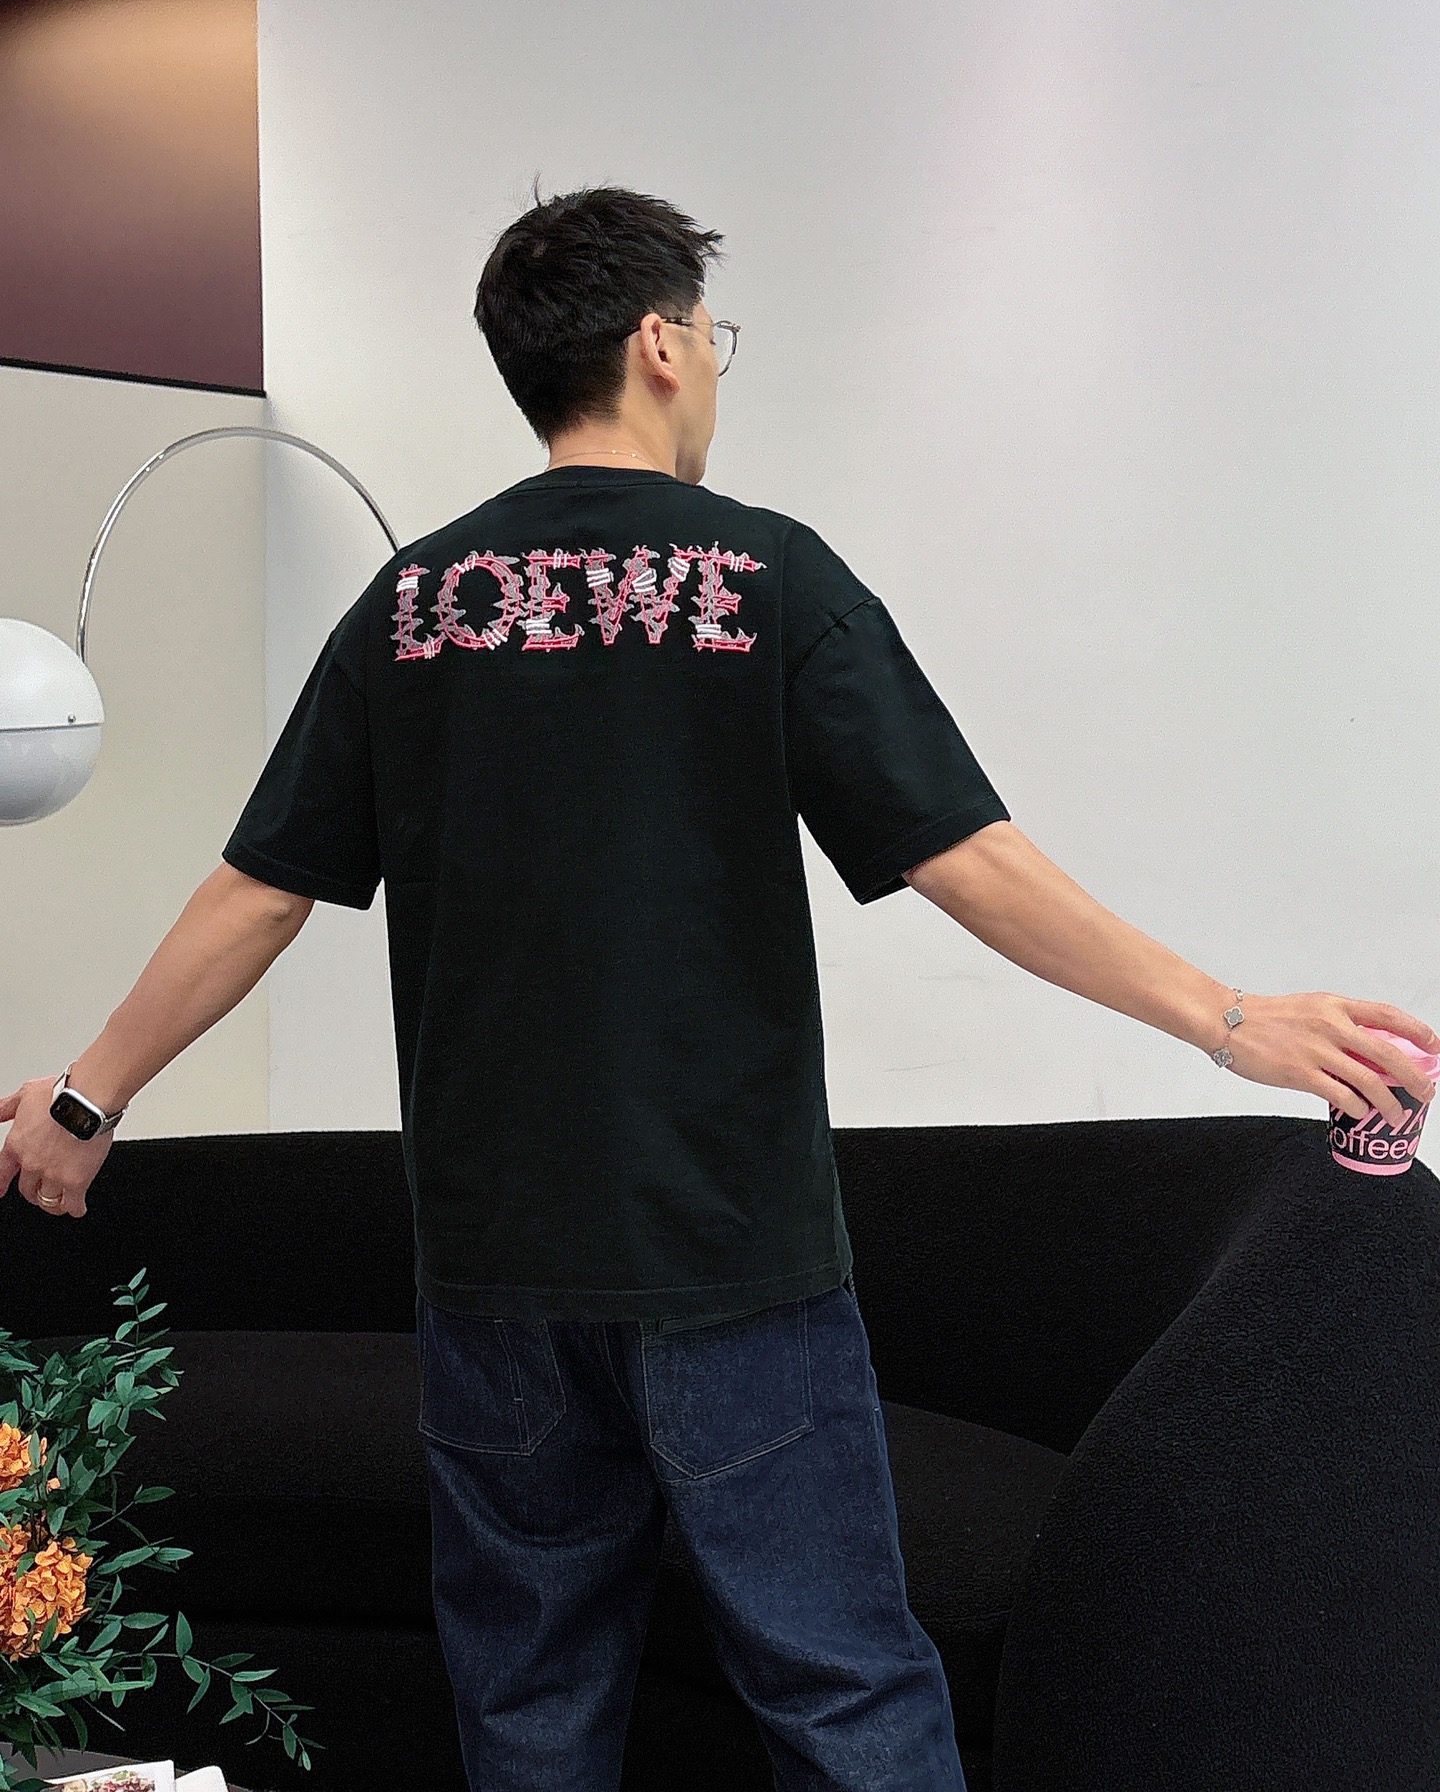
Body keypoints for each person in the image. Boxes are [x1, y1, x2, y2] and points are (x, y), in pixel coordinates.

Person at [3, 180, 1435, 1792]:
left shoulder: (411, 606)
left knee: (529, 1708)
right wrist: (1231, 1020)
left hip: (494, 1279)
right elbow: (965, 859)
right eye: (712, 336)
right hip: (732, 1267)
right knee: (845, 1695)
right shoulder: (765, 579)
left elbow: (258, 893)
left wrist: (84, 1101)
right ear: (662, 344)